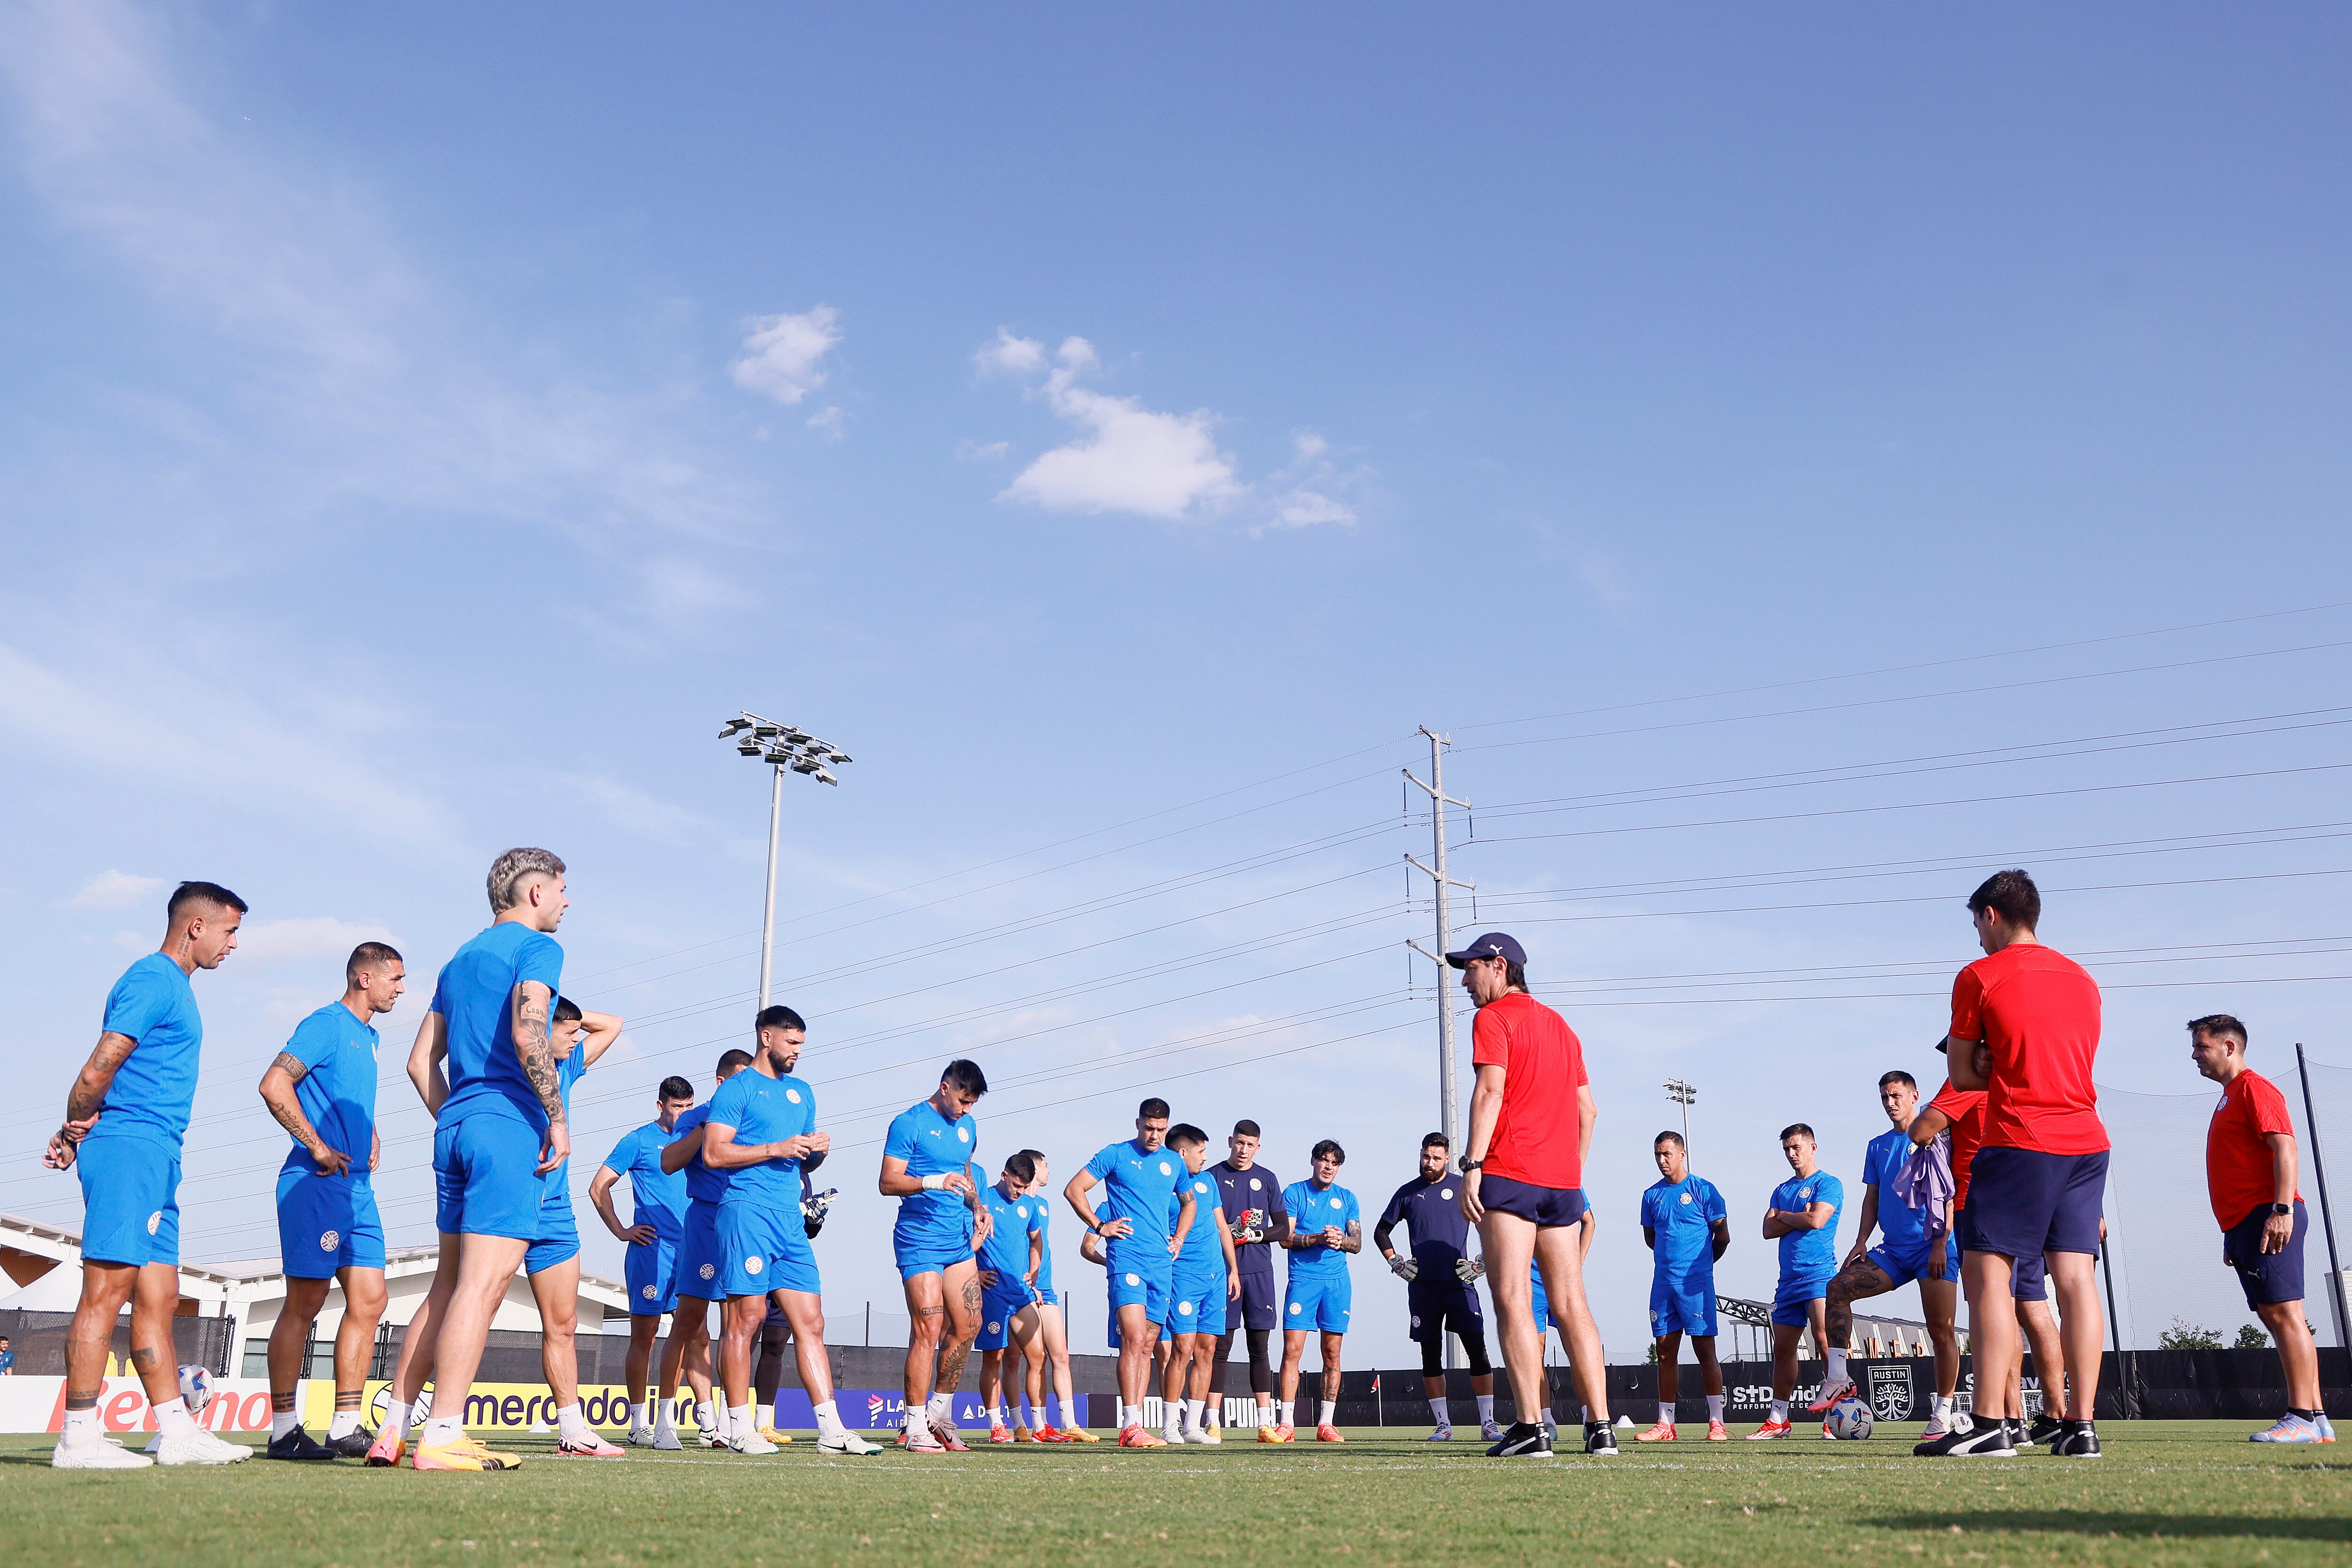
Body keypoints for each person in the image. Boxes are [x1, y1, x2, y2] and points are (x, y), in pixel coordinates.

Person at [366, 849, 570, 1472]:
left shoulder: (459, 959)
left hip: (455, 1124)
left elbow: (418, 1063)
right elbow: (529, 1033)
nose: (566, 902)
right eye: (562, 890)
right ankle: (443, 1434)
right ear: (534, 893)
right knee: (481, 1288)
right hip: (505, 1127)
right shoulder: (538, 949)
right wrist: (556, 1118)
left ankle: (394, 1429)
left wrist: (461, 1118)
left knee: (448, 1284)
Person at [45, 881, 252, 1469]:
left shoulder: (177, 988)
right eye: (230, 931)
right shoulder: (153, 979)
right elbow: (97, 1069)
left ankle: (177, 1432)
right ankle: (78, 1439)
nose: (234, 944)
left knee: (161, 1297)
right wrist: (74, 1128)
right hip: (130, 1148)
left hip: (158, 1153)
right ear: (196, 926)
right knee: (105, 1292)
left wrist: (77, 1128)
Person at [1920, 869, 2107, 1458]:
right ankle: (2080, 1427)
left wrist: (1991, 1062)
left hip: (2020, 1140)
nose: (1976, 936)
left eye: (1976, 923)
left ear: (1991, 914)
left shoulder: (1978, 975)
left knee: (1987, 1279)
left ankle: (1989, 1425)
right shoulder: (2082, 978)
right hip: (2087, 1141)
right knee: (2075, 1282)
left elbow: (1960, 1076)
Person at [1449, 931, 1616, 1458]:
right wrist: (1570, 1169)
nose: (1465, 980)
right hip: (1562, 1183)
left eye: (1471, 968)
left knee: (1512, 1298)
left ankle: (1531, 1428)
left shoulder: (1493, 1018)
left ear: (1499, 967)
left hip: (1509, 1173)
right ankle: (1602, 1428)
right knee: (1571, 1302)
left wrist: (1472, 1166)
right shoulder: (1563, 1027)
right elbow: (1588, 1110)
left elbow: (1489, 1091)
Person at [705, 1004, 881, 1457]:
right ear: (766, 1037)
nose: (798, 1050)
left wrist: (816, 1151)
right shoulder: (739, 1088)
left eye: (802, 1043)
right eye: (792, 1042)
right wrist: (775, 1147)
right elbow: (714, 1153)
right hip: (747, 1212)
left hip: (790, 1218)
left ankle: (831, 1430)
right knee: (746, 1320)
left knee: (812, 1322)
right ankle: (738, 1428)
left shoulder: (802, 1092)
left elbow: (801, 1159)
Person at [257, 941, 406, 1461]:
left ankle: (345, 1426)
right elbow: (274, 1084)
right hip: (316, 1183)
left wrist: (370, 1130)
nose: (401, 989)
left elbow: (344, 1097)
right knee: (306, 1302)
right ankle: (282, 1431)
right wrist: (317, 1144)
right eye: (395, 978)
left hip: (359, 1190)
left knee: (371, 1301)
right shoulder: (326, 1024)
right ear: (365, 978)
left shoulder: (370, 1037)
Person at [2190, 1013, 2332, 1443]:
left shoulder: (2254, 1087)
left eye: (2202, 1046)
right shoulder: (2229, 1095)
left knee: (2284, 1315)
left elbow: (2285, 1146)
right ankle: (2318, 1418)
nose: (2195, 1055)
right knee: (2282, 1316)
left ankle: (2301, 1416)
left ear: (2230, 1046)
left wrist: (2281, 1209)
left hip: (2268, 1215)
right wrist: (2233, 1231)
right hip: (2247, 1223)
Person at [1808, 1072, 1959, 1426]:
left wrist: (1941, 1243)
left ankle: (1943, 1412)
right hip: (1893, 1252)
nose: (1890, 1103)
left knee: (1941, 1330)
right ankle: (1838, 1378)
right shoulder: (1877, 1146)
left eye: (1896, 1096)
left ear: (1914, 1096)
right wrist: (1861, 1240)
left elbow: (1949, 1193)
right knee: (1837, 1288)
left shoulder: (1936, 1136)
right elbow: (1872, 1198)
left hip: (1933, 1248)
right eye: (1884, 1098)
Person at [515, 997, 628, 1458]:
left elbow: (613, 1024)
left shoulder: (565, 1066)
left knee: (563, 1323)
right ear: (542, 1030)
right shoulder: (512, 1064)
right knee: (469, 1309)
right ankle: (431, 1421)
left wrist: (558, 1005)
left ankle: (573, 1430)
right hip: (508, 1204)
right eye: (569, 1032)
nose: (577, 1039)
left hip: (556, 1212)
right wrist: (539, 1017)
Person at [1067, 1097, 1192, 1447]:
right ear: (1138, 1123)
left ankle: (1136, 1425)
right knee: (1134, 1339)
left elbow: (1190, 1203)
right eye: (1149, 1128)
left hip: (1161, 1264)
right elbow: (1074, 1189)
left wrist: (1180, 1238)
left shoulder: (1173, 1162)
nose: (1154, 1135)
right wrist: (1100, 1225)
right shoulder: (1116, 1154)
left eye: (1161, 1130)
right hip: (1126, 1258)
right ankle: (1130, 1425)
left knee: (1149, 1344)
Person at [881, 1059, 992, 1454]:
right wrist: (934, 1181)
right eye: (963, 1101)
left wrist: (976, 1204)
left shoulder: (968, 1126)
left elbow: (965, 1170)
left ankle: (938, 1417)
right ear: (945, 1088)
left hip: (957, 1240)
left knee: (969, 1325)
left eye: (972, 1104)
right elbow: (887, 1182)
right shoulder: (908, 1123)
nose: (967, 1109)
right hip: (919, 1239)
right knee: (928, 1330)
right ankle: (914, 1428)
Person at [648, 1048, 754, 1451]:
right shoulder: (697, 1117)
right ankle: (664, 1423)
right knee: (688, 1321)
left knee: (739, 1324)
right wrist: (707, 1127)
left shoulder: (755, 1117)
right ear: (722, 1082)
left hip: (743, 1225)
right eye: (742, 1080)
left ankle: (732, 1423)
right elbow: (668, 1162)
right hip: (705, 1224)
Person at [590, 1074, 697, 1444]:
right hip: (651, 1251)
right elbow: (598, 1185)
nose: (683, 1112)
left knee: (687, 1333)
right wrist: (621, 1230)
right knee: (645, 1336)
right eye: (677, 1106)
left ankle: (668, 1420)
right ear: (660, 1105)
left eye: (689, 1106)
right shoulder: (637, 1140)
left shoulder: (697, 1138)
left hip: (691, 1250)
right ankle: (638, 1423)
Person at [1375, 1132, 1502, 1442]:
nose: (1429, 1162)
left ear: (1447, 1158)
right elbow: (1381, 1231)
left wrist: (1483, 1263)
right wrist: (1396, 1262)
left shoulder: (1464, 1187)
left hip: (1460, 1285)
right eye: (1425, 1156)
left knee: (1478, 1352)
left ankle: (1488, 1423)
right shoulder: (1408, 1193)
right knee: (1430, 1355)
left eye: (1435, 1157)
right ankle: (1443, 1425)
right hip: (1423, 1289)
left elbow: (1493, 1225)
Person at [1636, 1131, 1730, 1442]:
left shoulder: (1704, 1189)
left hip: (1696, 1284)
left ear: (1682, 1154)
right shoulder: (1651, 1195)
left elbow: (1723, 1236)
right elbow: (1651, 1239)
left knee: (1705, 1350)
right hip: (1663, 1284)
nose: (1662, 1160)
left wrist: (1702, 1265)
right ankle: (1666, 1424)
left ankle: (1717, 1422)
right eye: (1658, 1154)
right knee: (1664, 1352)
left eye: (1667, 1154)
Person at [1748, 1124, 1841, 1439]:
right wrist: (1795, 1215)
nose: (1791, 1154)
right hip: (1788, 1281)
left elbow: (1816, 1220)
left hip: (1819, 1275)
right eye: (1787, 1149)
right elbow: (1767, 1230)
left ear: (1813, 1147)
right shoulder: (1782, 1190)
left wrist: (1784, 1216)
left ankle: (1834, 1417)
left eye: (1796, 1147)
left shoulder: (1828, 1183)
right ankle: (1779, 1420)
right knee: (1784, 1349)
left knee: (1824, 1341)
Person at [1273, 1139, 1359, 1443]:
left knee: (1332, 1353)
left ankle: (1326, 1424)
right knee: (1292, 1351)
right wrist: (1318, 1238)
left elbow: (1357, 1243)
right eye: (1324, 1160)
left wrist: (1340, 1240)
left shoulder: (1347, 1198)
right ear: (1313, 1161)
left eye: (1334, 1163)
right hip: (1303, 1281)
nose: (1328, 1167)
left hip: (1337, 1283)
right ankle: (1286, 1424)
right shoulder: (1295, 1192)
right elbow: (1285, 1238)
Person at [1207, 1119, 1288, 1438]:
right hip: (1222, 1272)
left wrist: (1256, 1235)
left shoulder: (1267, 1178)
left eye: (1250, 1145)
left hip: (1260, 1272)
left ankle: (1265, 1424)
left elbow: (1283, 1228)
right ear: (1231, 1141)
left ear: (1258, 1147)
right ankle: (1212, 1422)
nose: (1244, 1150)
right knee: (1220, 1346)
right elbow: (1200, 1223)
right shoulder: (1212, 1176)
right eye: (1240, 1143)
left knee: (1259, 1347)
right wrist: (1227, 1230)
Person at [1161, 1125, 1241, 1443]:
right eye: (1201, 1151)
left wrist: (1233, 1269)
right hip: (1182, 1275)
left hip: (1216, 1277)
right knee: (1182, 1349)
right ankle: (1170, 1424)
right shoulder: (1163, 1184)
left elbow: (1222, 1228)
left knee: (1207, 1350)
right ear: (1183, 1153)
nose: (1206, 1158)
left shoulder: (1208, 1181)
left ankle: (1193, 1426)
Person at [975, 1151, 1056, 1441]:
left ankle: (1040, 1427)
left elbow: (1037, 1240)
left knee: (1038, 1357)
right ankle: (997, 1425)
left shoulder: (1029, 1205)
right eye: (1016, 1186)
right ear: (1004, 1175)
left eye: (1025, 1187)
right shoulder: (984, 1199)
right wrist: (974, 1272)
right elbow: (963, 1237)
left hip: (1021, 1294)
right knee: (995, 1358)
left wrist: (1034, 1270)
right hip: (993, 1294)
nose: (1020, 1192)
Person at [1006, 1149, 1085, 1441]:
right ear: (1035, 1168)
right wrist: (1028, 1284)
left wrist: (1040, 1280)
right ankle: (1020, 1424)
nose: (1050, 1170)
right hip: (1020, 1290)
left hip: (1046, 1290)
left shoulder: (1043, 1205)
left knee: (1060, 1355)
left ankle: (1069, 1423)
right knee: (1015, 1359)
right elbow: (1012, 1247)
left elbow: (1038, 1246)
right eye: (1047, 1165)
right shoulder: (1011, 1201)